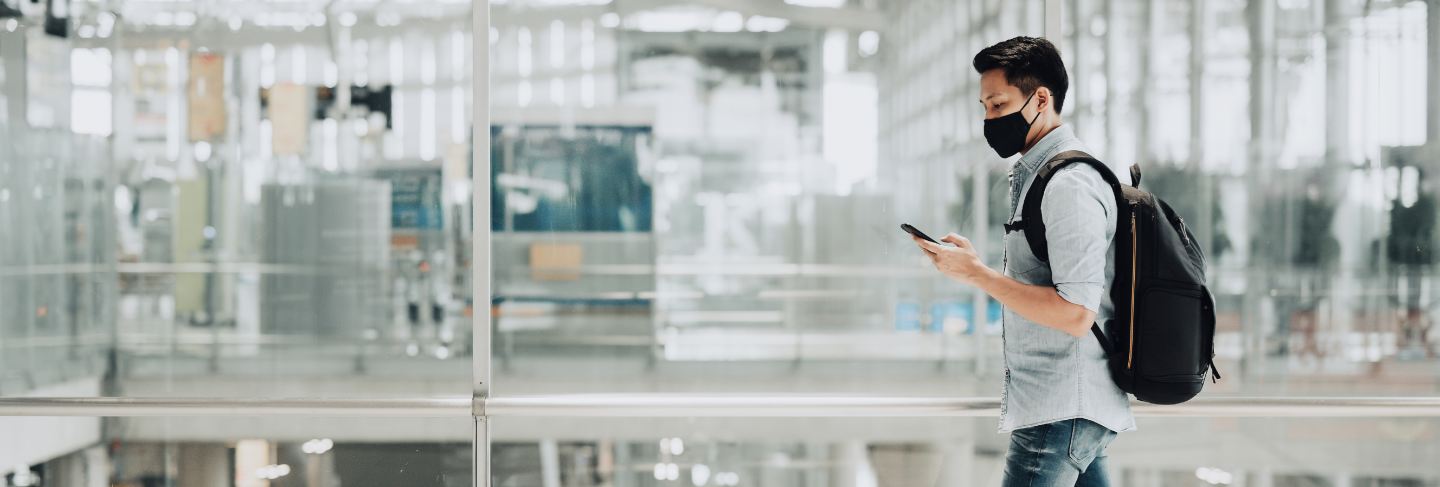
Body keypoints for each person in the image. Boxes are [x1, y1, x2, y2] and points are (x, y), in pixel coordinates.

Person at [910, 36, 1134, 487]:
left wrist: (977, 274)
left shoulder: (1069, 185)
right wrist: (976, 268)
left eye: (997, 105)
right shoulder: (1039, 175)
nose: (989, 119)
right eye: (984, 107)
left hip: (1060, 408)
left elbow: (1074, 313)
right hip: (1066, 406)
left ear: (1041, 100)